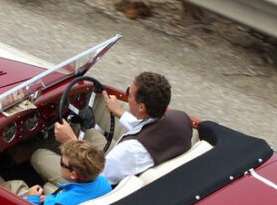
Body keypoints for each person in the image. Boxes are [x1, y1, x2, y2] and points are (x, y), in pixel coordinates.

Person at [32, 71, 192, 186]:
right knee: (90, 132)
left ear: (142, 107)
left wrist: (71, 141)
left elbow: (94, 176)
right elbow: (150, 128)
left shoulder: (131, 150)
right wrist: (119, 113)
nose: (126, 94)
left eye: (129, 92)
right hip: (125, 165)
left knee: (38, 155)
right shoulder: (180, 119)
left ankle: (23, 156)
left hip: (97, 182)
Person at [24, 140, 110, 205]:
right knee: (47, 186)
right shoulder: (104, 182)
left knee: (14, 184)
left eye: (62, 162)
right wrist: (48, 199)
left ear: (73, 174)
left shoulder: (56, 204)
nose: (59, 163)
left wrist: (33, 198)